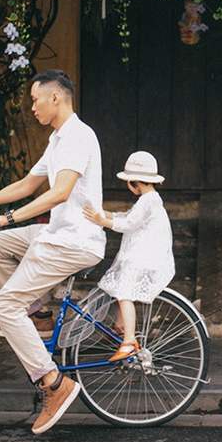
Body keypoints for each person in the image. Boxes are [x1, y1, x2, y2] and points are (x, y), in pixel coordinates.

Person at [0, 69, 105, 435]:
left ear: (56, 98)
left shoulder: (78, 137)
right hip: (55, 234)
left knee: (4, 305)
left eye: (36, 99)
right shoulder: (57, 140)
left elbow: (60, 192)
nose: (32, 106)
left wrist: (8, 218)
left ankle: (54, 383)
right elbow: (28, 184)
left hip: (75, 241)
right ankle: (39, 316)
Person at [82, 151, 176, 362]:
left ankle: (129, 340)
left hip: (143, 257)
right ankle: (121, 324)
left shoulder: (147, 201)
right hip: (142, 254)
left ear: (134, 183)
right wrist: (104, 213)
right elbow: (128, 217)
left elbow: (128, 224)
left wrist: (102, 220)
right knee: (120, 290)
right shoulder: (150, 198)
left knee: (124, 292)